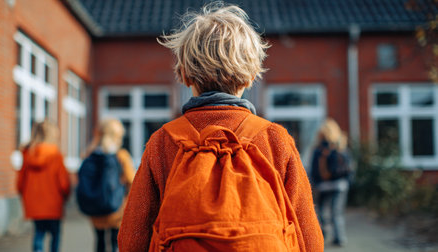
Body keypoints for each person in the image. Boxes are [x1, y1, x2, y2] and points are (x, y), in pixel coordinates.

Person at [118, 2, 323, 252]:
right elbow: (309, 237)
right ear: (250, 77)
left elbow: (132, 238)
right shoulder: (274, 139)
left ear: (183, 75)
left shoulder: (163, 141)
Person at [17, 120, 71, 252]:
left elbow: (20, 182)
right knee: (55, 235)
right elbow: (63, 183)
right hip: (53, 204)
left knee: (38, 234)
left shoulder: (28, 154)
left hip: (35, 204)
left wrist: (23, 195)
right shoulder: (56, 156)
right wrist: (67, 195)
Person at [82, 119, 135, 252]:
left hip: (95, 209)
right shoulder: (121, 156)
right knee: (115, 242)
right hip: (117, 209)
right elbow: (132, 179)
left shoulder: (89, 155)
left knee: (99, 241)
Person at [310, 118, 351, 247]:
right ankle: (339, 238)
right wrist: (349, 182)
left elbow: (314, 168)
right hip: (339, 185)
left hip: (324, 186)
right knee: (336, 212)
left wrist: (314, 183)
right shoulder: (341, 146)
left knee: (322, 211)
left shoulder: (319, 149)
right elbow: (349, 168)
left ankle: (324, 234)